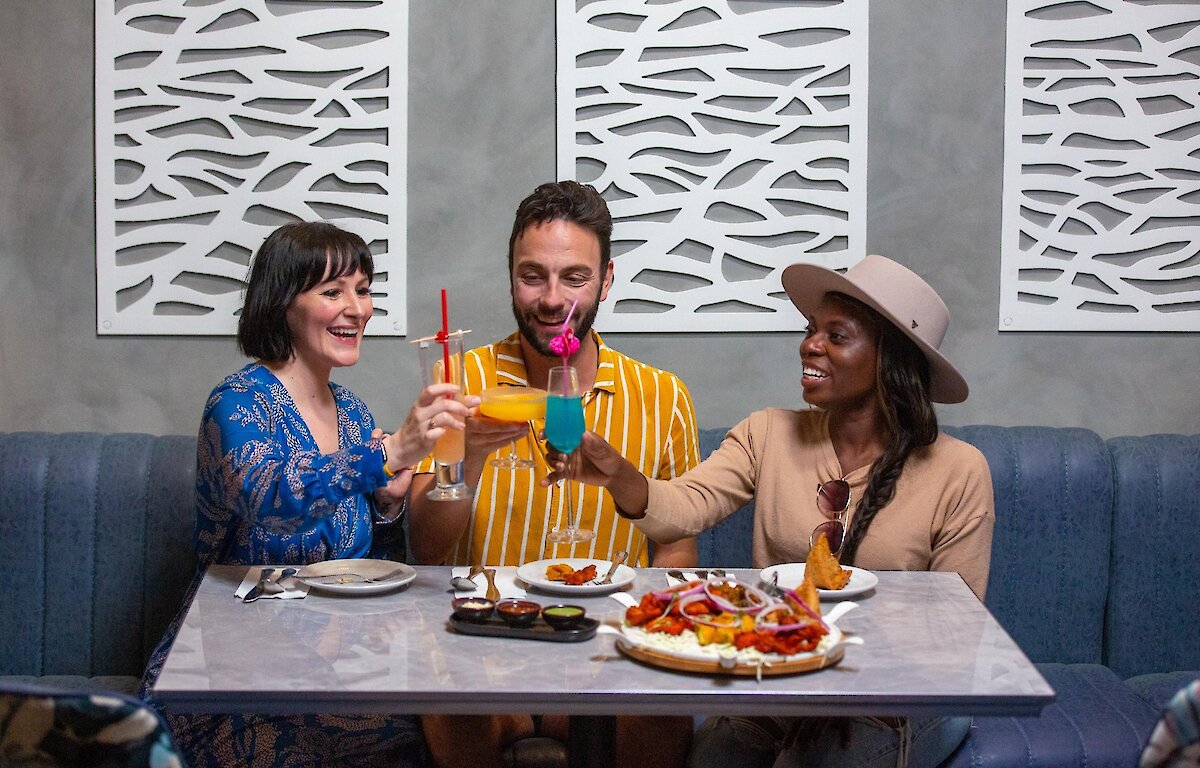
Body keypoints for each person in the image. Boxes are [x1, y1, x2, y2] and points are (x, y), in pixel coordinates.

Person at [553, 254, 996, 768]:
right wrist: (618, 475)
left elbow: (955, 631)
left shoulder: (959, 471)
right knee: (714, 759)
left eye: (836, 335)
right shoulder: (766, 434)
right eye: (811, 330)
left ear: (889, 359)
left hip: (911, 693)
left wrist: (846, 680)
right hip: (790, 678)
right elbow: (685, 507)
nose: (810, 345)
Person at [141, 221, 472, 768]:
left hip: (333, 669)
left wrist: (387, 504)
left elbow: (370, 564)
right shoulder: (236, 403)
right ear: (283, 304)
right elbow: (270, 496)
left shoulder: (354, 413)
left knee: (428, 739)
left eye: (362, 290)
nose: (357, 309)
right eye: (333, 291)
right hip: (232, 674)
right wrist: (387, 455)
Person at [410, 181, 700, 767]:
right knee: (450, 704)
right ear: (510, 277)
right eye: (532, 275)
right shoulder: (461, 380)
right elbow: (425, 545)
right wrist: (467, 459)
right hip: (482, 643)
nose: (551, 298)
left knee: (661, 714)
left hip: (607, 652)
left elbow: (676, 553)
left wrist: (647, 642)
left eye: (574, 277)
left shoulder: (663, 396)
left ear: (606, 280)